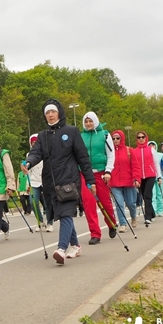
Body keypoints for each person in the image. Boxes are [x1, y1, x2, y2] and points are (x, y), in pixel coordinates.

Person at [22, 99, 96, 265]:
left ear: (59, 113)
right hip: (51, 183)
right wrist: (28, 163)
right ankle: (75, 244)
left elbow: (83, 158)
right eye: (47, 113)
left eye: (53, 111)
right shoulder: (43, 136)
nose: (50, 115)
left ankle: (61, 248)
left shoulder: (71, 131)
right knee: (63, 214)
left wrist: (90, 181)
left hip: (69, 180)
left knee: (66, 213)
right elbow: (36, 153)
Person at [79, 111, 117, 245]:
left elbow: (111, 155)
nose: (88, 124)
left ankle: (112, 223)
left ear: (95, 121)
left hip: (101, 172)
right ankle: (95, 233)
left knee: (105, 203)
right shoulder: (80, 136)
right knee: (89, 204)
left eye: (90, 121)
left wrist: (108, 171)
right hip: (84, 173)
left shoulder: (105, 135)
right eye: (86, 121)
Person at [109, 130, 141, 232]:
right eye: (113, 138)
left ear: (122, 138)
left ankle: (133, 216)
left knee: (131, 203)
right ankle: (123, 224)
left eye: (117, 138)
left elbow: (135, 166)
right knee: (119, 204)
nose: (115, 140)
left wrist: (136, 178)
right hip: (115, 183)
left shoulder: (129, 150)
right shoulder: (110, 152)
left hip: (129, 182)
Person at [132, 132, 162, 225]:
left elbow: (156, 163)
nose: (141, 139)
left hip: (150, 175)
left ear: (146, 138)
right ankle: (152, 213)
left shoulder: (151, 150)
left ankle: (147, 217)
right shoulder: (134, 151)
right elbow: (133, 165)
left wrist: (159, 176)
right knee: (144, 196)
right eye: (139, 137)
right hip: (140, 177)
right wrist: (134, 178)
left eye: (143, 137)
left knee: (147, 195)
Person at [27, 134, 53, 232]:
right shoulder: (29, 155)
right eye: (33, 142)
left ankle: (50, 222)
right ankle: (40, 221)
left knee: (48, 203)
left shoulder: (47, 153)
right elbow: (28, 171)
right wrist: (27, 185)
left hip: (45, 180)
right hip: (34, 182)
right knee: (33, 201)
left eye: (36, 141)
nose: (34, 143)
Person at [148, 141, 163, 217]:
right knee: (152, 195)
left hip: (160, 177)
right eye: (149, 145)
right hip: (150, 178)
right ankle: (153, 211)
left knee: (160, 194)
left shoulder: (160, 155)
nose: (151, 146)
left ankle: (160, 210)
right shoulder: (146, 156)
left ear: (155, 146)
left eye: (153, 145)